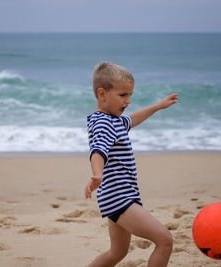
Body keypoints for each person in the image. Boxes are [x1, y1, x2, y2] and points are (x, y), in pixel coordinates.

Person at [85, 62, 179, 266]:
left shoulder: (114, 119)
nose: (128, 101)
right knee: (165, 240)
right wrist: (97, 174)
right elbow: (97, 151)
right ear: (102, 94)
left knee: (117, 253)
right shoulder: (104, 123)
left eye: (130, 95)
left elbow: (132, 120)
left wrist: (157, 106)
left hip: (117, 195)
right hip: (119, 196)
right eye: (122, 95)